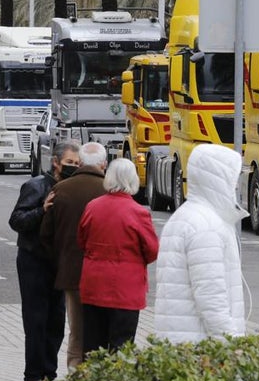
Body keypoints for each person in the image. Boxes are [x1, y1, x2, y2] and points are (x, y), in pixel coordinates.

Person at [154, 144, 247, 343]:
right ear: (218, 178)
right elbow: (211, 295)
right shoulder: (207, 226)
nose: (236, 185)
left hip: (181, 340)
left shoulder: (187, 216)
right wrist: (231, 343)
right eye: (233, 177)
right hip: (200, 346)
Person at [9, 141, 80, 381]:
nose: (73, 167)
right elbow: (16, 220)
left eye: (77, 164)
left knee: (56, 321)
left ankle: (49, 374)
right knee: (36, 320)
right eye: (69, 163)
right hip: (33, 261)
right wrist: (42, 210)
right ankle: (33, 376)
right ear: (56, 162)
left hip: (58, 263)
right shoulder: (35, 186)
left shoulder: (71, 189)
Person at [77, 158, 159, 355]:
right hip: (126, 289)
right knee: (121, 346)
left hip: (94, 285)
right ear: (133, 181)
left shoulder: (92, 207)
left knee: (92, 346)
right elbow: (152, 250)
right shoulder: (138, 212)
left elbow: (81, 241)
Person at [40, 141, 107, 371]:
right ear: (103, 164)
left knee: (76, 329)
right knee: (100, 326)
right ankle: (99, 372)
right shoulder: (109, 190)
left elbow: (46, 234)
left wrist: (61, 260)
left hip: (71, 272)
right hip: (104, 275)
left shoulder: (62, 189)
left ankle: (75, 371)